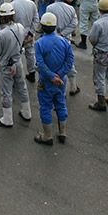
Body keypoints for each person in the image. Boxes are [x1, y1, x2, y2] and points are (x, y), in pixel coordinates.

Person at [33, 12, 74, 146]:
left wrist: (51, 76)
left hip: (46, 81)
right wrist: (59, 75)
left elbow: (40, 64)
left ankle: (47, 136)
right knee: (61, 104)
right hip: (61, 81)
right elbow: (70, 60)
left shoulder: (39, 43)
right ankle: (62, 132)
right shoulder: (64, 42)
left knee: (45, 107)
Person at [0, 3, 32, 127]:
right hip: (18, 62)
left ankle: (7, 119)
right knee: (22, 87)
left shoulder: (1, 34)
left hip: (6, 65)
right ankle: (27, 112)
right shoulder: (20, 27)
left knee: (6, 91)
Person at [46, 0, 81, 96]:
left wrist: (57, 33)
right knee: (68, 62)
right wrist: (64, 33)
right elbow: (74, 23)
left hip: (53, 39)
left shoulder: (50, 8)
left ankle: (60, 89)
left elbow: (48, 23)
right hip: (66, 40)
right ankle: (73, 87)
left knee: (55, 63)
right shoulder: (70, 9)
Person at [87, 0, 108, 112]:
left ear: (100, 10)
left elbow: (92, 39)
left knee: (100, 77)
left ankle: (101, 102)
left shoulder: (98, 24)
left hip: (101, 53)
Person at [10, 0, 39, 83]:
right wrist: (31, 33)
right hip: (29, 34)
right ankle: (32, 74)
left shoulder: (11, 5)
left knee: (15, 57)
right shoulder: (31, 3)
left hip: (17, 35)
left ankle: (16, 77)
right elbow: (36, 19)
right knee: (30, 54)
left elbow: (10, 23)